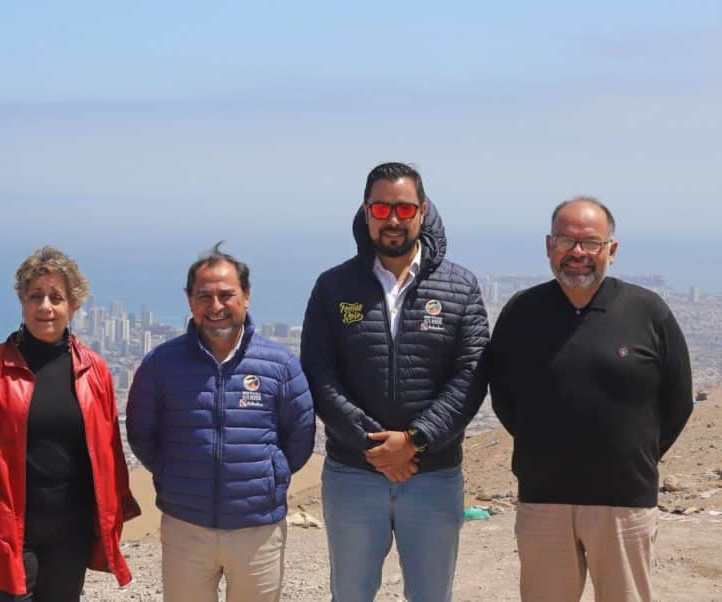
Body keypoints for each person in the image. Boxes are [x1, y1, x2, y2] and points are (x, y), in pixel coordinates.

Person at [487, 196, 692, 600]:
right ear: (549, 247)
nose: (578, 252)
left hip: (623, 501)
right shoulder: (521, 312)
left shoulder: (648, 312)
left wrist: (637, 454)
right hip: (543, 499)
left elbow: (678, 400)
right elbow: (504, 395)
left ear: (611, 251)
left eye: (591, 243)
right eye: (566, 240)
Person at [300, 162, 489, 601]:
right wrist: (375, 446)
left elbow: (471, 375)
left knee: (430, 595)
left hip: (433, 473)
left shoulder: (459, 286)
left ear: (422, 212)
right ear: (366, 213)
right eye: (382, 208)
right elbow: (319, 373)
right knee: (350, 593)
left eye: (404, 209)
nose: (392, 220)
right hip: (353, 472)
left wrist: (415, 440)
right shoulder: (333, 286)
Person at [0, 246, 139, 601]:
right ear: (22, 302)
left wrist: (114, 515)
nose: (45, 306)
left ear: (73, 306)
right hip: (6, 527)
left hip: (70, 530)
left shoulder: (94, 371)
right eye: (35, 296)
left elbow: (108, 451)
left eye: (56, 297)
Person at [126, 243, 316, 602]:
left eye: (226, 295)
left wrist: (270, 474)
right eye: (204, 296)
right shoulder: (161, 365)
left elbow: (300, 436)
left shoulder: (280, 365)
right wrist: (173, 471)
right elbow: (141, 433)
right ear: (189, 301)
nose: (216, 306)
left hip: (258, 527)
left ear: (246, 296)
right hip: (186, 525)